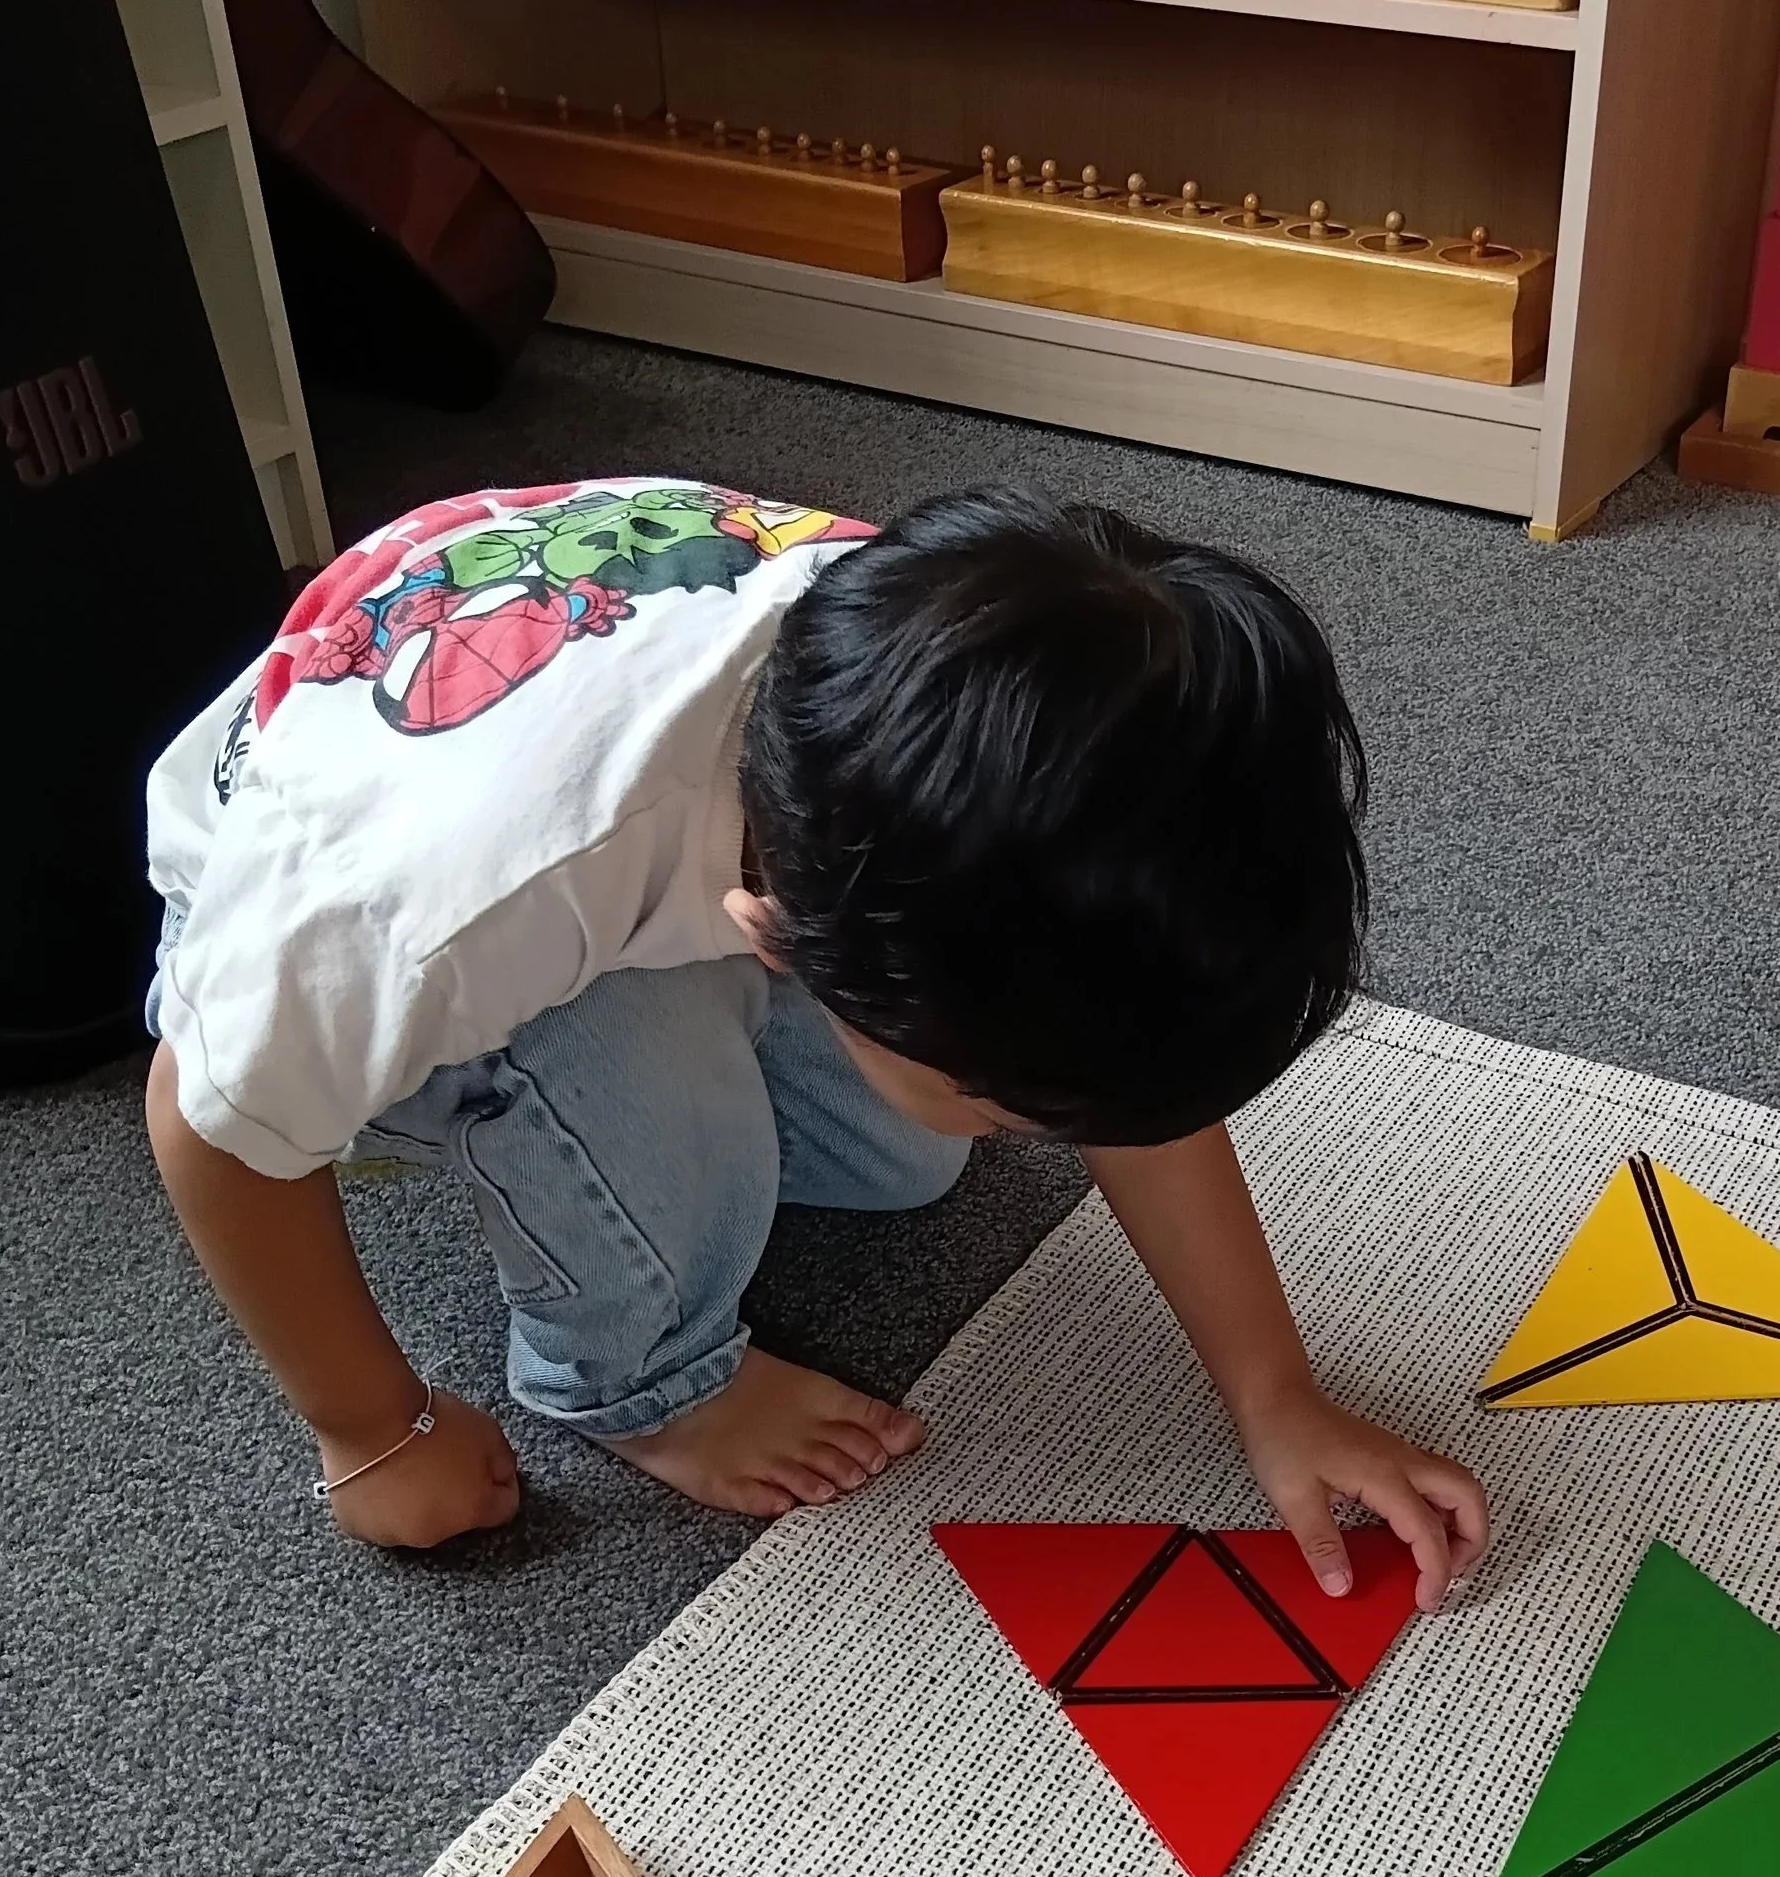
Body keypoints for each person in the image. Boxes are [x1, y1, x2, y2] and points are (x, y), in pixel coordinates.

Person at [143, 475, 1486, 1608]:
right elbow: (207, 1123)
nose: (1068, 1134)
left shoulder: (976, 697)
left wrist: (1275, 1390)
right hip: (296, 900)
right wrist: (373, 1430)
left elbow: (1117, 1036)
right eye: (1034, 1110)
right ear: (778, 938)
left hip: (629, 779)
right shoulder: (441, 899)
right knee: (641, 1049)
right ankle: (641, 1382)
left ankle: (718, 1123)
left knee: (908, 1159)